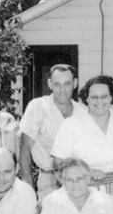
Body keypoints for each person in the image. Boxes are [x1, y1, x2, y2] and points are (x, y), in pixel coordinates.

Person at [18, 64, 86, 200]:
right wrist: (29, 190)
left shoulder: (83, 112)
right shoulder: (37, 107)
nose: (62, 90)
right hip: (49, 181)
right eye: (57, 84)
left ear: (75, 83)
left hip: (79, 181)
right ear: (50, 84)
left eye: (67, 84)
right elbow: (24, 148)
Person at [51, 75, 113, 180]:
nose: (99, 101)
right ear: (87, 99)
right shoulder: (70, 125)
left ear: (111, 98)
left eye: (104, 96)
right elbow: (58, 163)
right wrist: (86, 171)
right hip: (84, 187)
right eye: (94, 97)